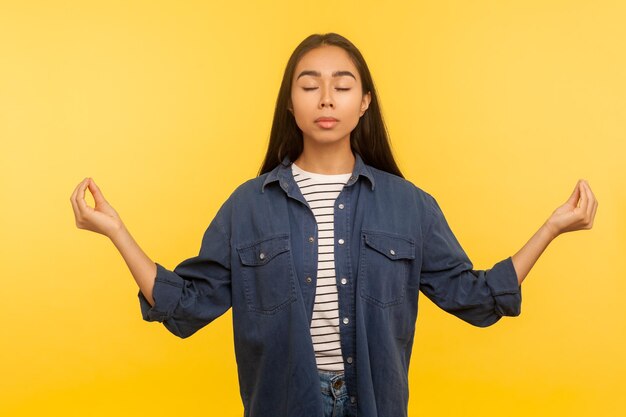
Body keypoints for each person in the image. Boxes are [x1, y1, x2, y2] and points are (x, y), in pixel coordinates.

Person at [70, 32, 597, 417]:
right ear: (292, 105)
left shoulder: (409, 205)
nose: (326, 98)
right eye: (310, 86)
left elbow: (476, 298)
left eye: (342, 86)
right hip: (282, 404)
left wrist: (550, 228)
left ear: (363, 103)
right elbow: (186, 305)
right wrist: (116, 231)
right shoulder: (247, 206)